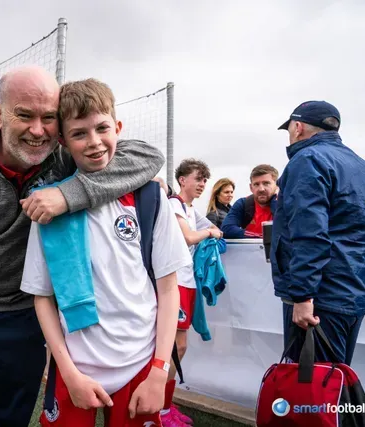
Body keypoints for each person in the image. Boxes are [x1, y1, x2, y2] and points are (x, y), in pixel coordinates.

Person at [0, 65, 165, 427]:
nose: (38, 130)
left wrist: (66, 194)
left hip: (25, 314)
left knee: (11, 418)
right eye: (24, 115)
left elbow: (147, 157)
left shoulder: (65, 154)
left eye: (49, 118)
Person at [20, 78, 189, 427]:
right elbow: (42, 298)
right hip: (75, 368)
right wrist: (67, 371)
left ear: (118, 128)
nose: (95, 142)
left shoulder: (149, 198)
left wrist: (160, 369)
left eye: (102, 129)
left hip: (141, 363)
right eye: (80, 134)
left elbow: (168, 288)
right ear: (63, 141)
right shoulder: (48, 206)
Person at [273, 100, 365, 365]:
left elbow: (310, 234)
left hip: (320, 298)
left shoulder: (307, 160)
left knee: (314, 393)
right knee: (335, 384)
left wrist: (303, 296)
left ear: (298, 127)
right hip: (352, 292)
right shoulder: (364, 167)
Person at [165, 158, 222, 426]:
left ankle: (164, 405)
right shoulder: (174, 203)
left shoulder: (189, 207)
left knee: (179, 347)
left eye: (204, 180)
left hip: (186, 283)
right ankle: (159, 408)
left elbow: (216, 228)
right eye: (198, 178)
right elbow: (189, 236)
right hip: (173, 282)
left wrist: (212, 231)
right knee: (172, 347)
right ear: (182, 180)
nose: (201, 185)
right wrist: (210, 233)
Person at [220, 164, 278, 239]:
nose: (261, 189)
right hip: (251, 250)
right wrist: (260, 237)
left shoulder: (285, 204)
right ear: (251, 187)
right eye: (256, 184)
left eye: (266, 183)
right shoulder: (243, 204)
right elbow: (226, 229)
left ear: (277, 185)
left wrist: (276, 204)